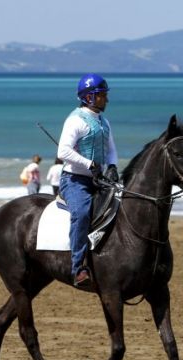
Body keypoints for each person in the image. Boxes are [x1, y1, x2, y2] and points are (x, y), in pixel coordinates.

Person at [57, 73, 119, 287]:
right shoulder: (75, 120)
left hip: (100, 179)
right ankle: (78, 268)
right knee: (81, 214)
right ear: (90, 97)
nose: (106, 99)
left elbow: (111, 150)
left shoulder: (103, 121)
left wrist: (112, 166)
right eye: (102, 95)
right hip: (75, 180)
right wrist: (88, 163)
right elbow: (63, 150)